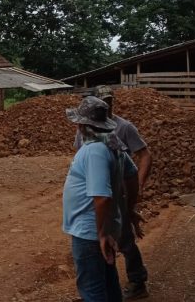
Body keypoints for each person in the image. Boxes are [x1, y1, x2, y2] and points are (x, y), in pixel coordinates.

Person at [75, 86, 151, 300]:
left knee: (123, 238)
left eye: (109, 101)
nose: (106, 105)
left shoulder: (124, 127)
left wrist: (137, 190)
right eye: (102, 101)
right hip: (97, 195)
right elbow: (81, 155)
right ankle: (101, 288)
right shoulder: (85, 130)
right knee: (106, 244)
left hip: (115, 194)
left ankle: (136, 280)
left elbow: (144, 157)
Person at [63, 96, 140, 302]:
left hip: (90, 232)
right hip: (99, 228)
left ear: (83, 124)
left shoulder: (94, 150)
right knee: (107, 283)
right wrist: (128, 208)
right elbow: (132, 176)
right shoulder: (113, 147)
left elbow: (102, 197)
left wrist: (102, 233)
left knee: (92, 289)